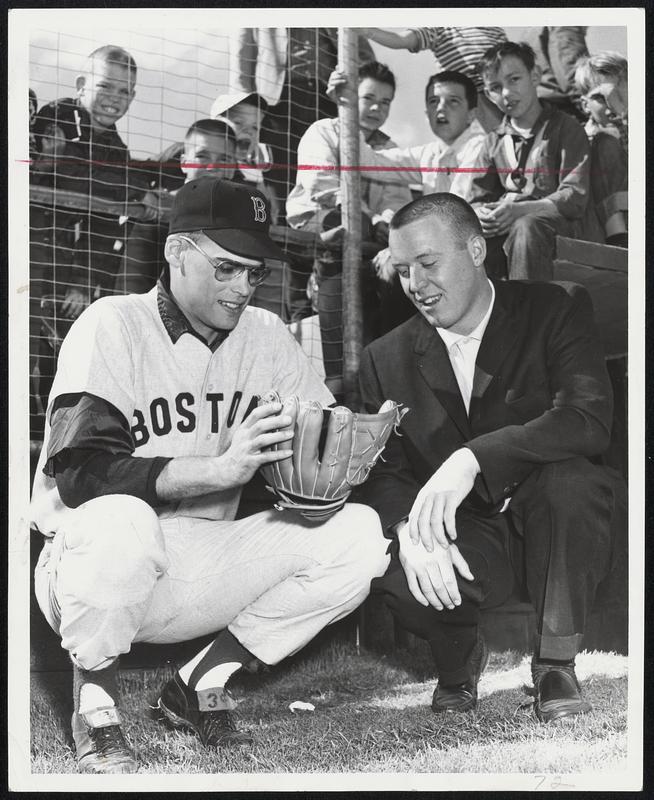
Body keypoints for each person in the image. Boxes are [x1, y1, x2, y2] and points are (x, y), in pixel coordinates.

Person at [30, 177, 390, 774]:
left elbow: (319, 436)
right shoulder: (112, 323)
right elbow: (83, 478)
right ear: (177, 252)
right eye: (226, 268)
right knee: (121, 517)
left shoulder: (267, 336)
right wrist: (221, 469)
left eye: (253, 272)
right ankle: (94, 703)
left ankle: (199, 683)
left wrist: (335, 466)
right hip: (85, 566)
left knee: (358, 534)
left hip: (199, 563)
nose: (243, 287)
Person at [356, 192, 626, 723]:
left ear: (477, 250)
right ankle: (458, 661)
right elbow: (382, 474)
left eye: (429, 264)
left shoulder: (556, 306)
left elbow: (587, 419)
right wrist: (410, 532)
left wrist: (471, 459)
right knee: (390, 557)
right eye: (404, 270)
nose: (417, 286)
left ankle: (555, 664)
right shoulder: (382, 357)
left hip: (551, 522)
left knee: (573, 484)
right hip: (469, 540)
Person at [286, 61, 414, 390]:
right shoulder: (323, 131)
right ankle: (337, 375)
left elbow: (396, 200)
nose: (376, 108)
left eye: (385, 102)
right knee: (343, 229)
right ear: (349, 97)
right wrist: (372, 217)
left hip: (370, 237)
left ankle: (392, 370)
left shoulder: (389, 150)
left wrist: (385, 221)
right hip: (316, 226)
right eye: (369, 97)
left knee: (400, 259)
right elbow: (322, 184)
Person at [40, 45, 154, 302]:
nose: (115, 97)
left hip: (67, 258)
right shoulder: (60, 116)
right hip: (33, 238)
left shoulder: (119, 151)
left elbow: (104, 223)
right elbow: (72, 176)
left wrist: (84, 281)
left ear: (132, 97)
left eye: (124, 91)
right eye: (105, 86)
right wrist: (135, 187)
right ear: (81, 85)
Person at [469, 41, 591, 281]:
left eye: (514, 79)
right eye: (495, 87)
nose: (505, 93)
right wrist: (483, 214)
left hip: (555, 228)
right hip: (508, 226)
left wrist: (521, 210)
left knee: (526, 226)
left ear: (535, 75)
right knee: (469, 243)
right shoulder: (493, 141)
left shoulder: (566, 127)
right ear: (487, 94)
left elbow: (574, 197)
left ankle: (529, 312)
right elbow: (477, 198)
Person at [228, 28, 375, 210]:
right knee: (280, 180)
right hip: (277, 102)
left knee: (329, 175)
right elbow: (241, 62)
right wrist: (243, 125)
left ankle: (331, 230)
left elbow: (364, 56)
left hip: (328, 98)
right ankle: (282, 231)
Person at [114, 118, 237, 295]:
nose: (212, 167)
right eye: (202, 156)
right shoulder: (159, 207)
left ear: (233, 169)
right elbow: (133, 282)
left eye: (224, 160)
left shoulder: (238, 215)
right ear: (185, 162)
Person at [359, 27, 507, 132]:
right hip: (470, 96)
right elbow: (402, 40)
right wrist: (367, 31)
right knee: (498, 139)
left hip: (498, 90)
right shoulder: (440, 28)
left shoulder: (494, 29)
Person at [574, 52, 628, 246]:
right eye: (600, 98)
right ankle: (618, 234)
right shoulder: (581, 138)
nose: (611, 107)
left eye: (618, 95)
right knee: (604, 142)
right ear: (585, 105)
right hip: (599, 225)